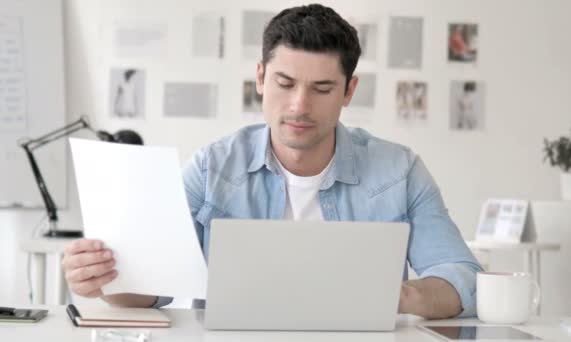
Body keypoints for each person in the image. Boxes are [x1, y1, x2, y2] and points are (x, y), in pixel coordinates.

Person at [62, 4, 482, 319]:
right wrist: (104, 281)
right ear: (261, 78)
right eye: (285, 83)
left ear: (349, 91)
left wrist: (401, 294)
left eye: (321, 88)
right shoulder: (212, 167)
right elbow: (152, 285)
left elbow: (462, 276)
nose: (299, 105)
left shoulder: (400, 172)